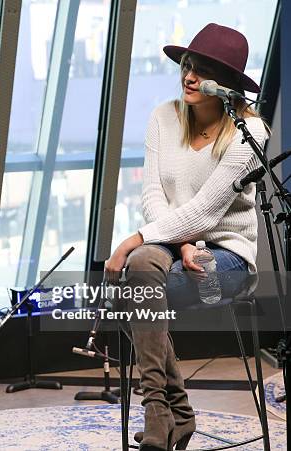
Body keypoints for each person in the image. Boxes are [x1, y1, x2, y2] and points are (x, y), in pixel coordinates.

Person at [104, 23, 268, 451]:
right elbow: (153, 193)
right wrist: (178, 243)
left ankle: (168, 411)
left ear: (228, 83)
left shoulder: (250, 135)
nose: (189, 76)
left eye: (202, 69)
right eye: (187, 65)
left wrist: (132, 240)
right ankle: (165, 409)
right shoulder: (163, 116)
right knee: (141, 271)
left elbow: (206, 211)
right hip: (174, 241)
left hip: (227, 259)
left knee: (129, 293)